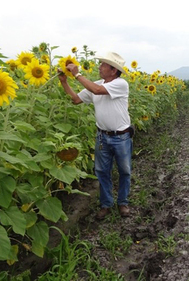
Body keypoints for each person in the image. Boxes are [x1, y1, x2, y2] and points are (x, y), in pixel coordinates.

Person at [58, 51, 132, 219]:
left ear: (113, 70)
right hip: (102, 137)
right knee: (102, 171)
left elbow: (98, 90)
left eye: (103, 65)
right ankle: (106, 204)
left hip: (121, 136)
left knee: (124, 171)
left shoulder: (121, 84)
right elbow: (76, 99)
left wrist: (77, 74)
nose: (100, 67)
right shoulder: (96, 84)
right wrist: (64, 83)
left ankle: (123, 202)